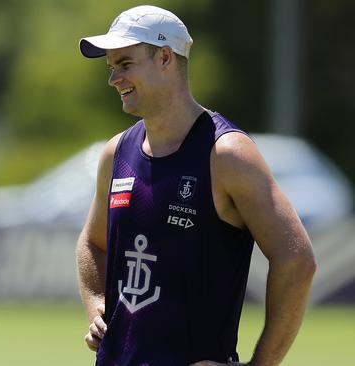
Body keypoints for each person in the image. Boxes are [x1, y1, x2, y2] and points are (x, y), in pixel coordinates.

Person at [75, 5, 316, 366]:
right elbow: (92, 243)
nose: (113, 79)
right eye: (111, 68)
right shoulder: (117, 152)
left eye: (125, 65)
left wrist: (260, 364)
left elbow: (296, 259)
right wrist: (96, 302)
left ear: (165, 58)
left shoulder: (227, 153)